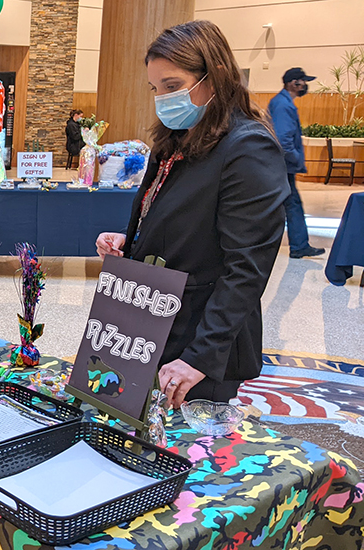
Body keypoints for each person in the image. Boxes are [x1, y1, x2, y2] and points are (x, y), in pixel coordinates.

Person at [95, 20, 288, 409]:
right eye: (155, 88)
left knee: (190, 459)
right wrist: (129, 241)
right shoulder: (176, 139)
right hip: (150, 321)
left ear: (213, 78)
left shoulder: (248, 148)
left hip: (198, 342)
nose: (162, 98)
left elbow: (247, 268)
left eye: (172, 86)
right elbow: (181, 218)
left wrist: (199, 356)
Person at [268, 68, 325, 259]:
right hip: (284, 164)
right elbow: (283, 140)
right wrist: (296, 158)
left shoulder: (282, 102)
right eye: (303, 81)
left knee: (290, 204)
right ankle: (299, 246)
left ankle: (299, 245)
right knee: (290, 204)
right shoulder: (283, 105)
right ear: (293, 83)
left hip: (282, 164)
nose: (305, 85)